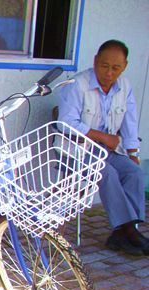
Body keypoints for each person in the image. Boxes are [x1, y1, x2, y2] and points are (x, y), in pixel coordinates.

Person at [59, 39, 148, 256]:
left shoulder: (124, 87)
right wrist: (102, 137)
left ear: (124, 66)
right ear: (95, 61)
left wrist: (133, 153)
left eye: (115, 68)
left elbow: (129, 123)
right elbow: (65, 122)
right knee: (106, 172)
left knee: (134, 172)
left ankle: (122, 233)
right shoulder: (77, 85)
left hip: (107, 152)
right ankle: (129, 231)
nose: (109, 73)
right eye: (104, 66)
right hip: (76, 151)